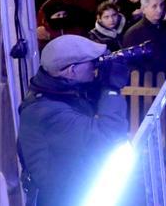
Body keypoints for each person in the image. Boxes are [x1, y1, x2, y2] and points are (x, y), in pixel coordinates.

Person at [17, 35, 129, 205]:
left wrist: (102, 80)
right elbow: (109, 136)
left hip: (78, 190)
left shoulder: (62, 91)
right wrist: (111, 89)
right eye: (92, 62)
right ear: (72, 71)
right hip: (64, 199)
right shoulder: (46, 111)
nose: (96, 65)